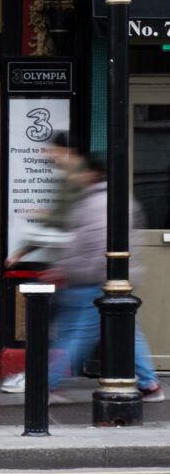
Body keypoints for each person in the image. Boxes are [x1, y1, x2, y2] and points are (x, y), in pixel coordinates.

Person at [46, 152, 164, 402]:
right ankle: (149, 383)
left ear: (91, 174)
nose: (74, 176)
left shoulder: (100, 202)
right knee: (129, 333)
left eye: (79, 172)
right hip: (107, 281)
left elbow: (98, 246)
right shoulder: (108, 199)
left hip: (94, 282)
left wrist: (70, 271)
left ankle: (46, 383)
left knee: (77, 334)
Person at [1, 133, 85, 392]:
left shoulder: (78, 180)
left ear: (67, 151)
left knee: (72, 331)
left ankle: (40, 379)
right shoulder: (71, 180)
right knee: (113, 327)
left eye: (53, 151)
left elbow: (63, 226)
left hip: (76, 268)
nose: (47, 155)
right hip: (79, 267)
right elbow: (61, 220)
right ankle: (150, 382)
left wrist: (23, 249)